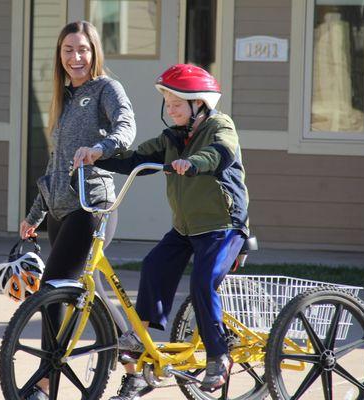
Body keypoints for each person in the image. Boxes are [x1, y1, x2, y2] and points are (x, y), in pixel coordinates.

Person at [93, 64, 250, 400]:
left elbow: (220, 153)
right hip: (186, 229)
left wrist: (194, 163)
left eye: (177, 103)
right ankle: (142, 338)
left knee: (202, 281)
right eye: (167, 102)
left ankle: (218, 357)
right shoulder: (172, 138)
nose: (170, 109)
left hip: (224, 227)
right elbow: (134, 159)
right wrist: (96, 157)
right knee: (154, 266)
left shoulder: (220, 125)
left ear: (200, 104)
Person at [19, 21, 136, 400]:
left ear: (94, 51)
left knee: (53, 284)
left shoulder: (106, 88)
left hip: (93, 206)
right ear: (60, 55)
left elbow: (127, 126)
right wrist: (35, 215)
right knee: (92, 292)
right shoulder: (64, 97)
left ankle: (45, 379)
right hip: (59, 210)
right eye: (68, 50)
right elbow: (56, 165)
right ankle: (134, 368)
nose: (75, 57)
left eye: (82, 49)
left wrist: (102, 148)